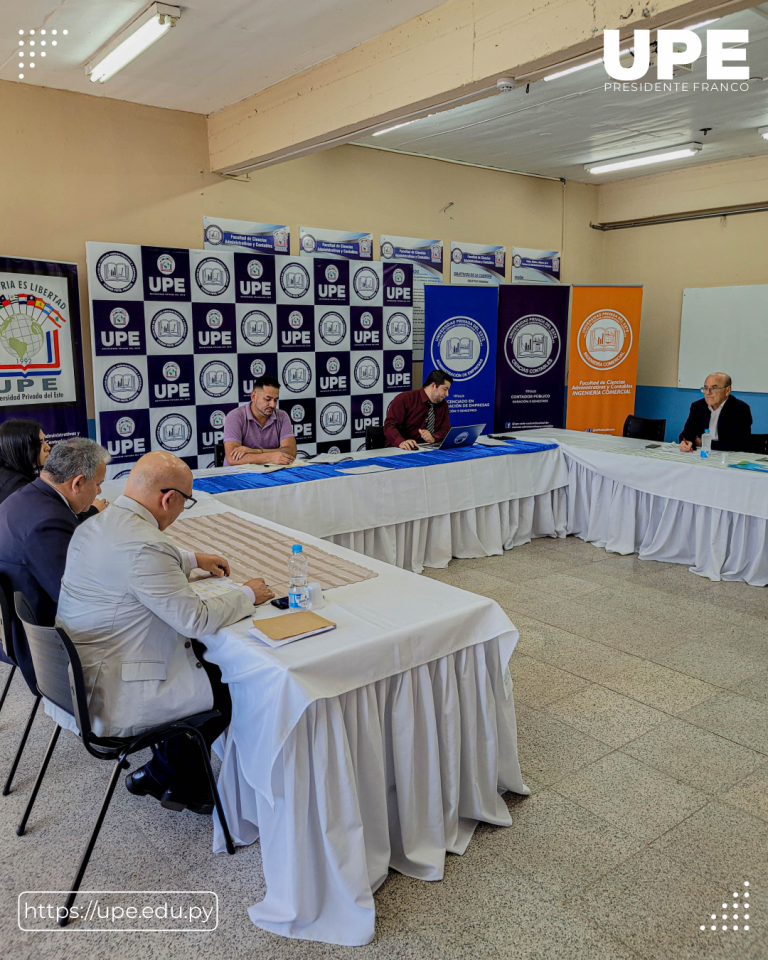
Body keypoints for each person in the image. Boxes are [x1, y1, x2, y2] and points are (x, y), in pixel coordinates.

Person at [56, 451, 275, 815]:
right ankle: (164, 775)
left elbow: (131, 568)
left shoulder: (95, 523)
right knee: (231, 687)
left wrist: (190, 560)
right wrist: (248, 594)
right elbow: (195, 620)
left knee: (208, 663)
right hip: (118, 689)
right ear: (168, 499)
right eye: (185, 502)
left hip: (82, 676)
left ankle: (177, 780)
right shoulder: (147, 546)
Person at [0, 437, 109, 691]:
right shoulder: (47, 522)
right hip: (43, 645)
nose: (99, 493)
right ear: (78, 483)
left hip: (13, 628)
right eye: (98, 484)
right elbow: (77, 600)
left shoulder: (26, 497)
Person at [223, 375, 297, 465]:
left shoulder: (282, 416)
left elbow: (291, 451)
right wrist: (271, 456)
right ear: (254, 396)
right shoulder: (235, 416)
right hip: (238, 475)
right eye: (268, 399)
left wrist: (254, 451)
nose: (273, 405)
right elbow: (232, 458)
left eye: (276, 400)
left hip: (270, 473)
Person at [679, 372, 752, 453]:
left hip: (731, 456)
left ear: (727, 390)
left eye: (714, 388)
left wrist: (703, 443)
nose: (708, 392)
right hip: (704, 454)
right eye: (706, 388)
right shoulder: (698, 406)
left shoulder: (740, 409)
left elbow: (738, 444)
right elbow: (685, 434)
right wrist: (686, 442)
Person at [383, 370, 453, 450]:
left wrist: (433, 438)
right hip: (401, 450)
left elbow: (445, 430)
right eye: (445, 389)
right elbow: (389, 426)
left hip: (429, 450)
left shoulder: (443, 405)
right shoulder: (404, 399)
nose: (447, 394)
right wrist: (401, 442)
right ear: (433, 386)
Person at [0, 419, 51, 505]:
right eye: (40, 443)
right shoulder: (16, 487)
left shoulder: (8, 474)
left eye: (45, 441)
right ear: (20, 447)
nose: (47, 447)